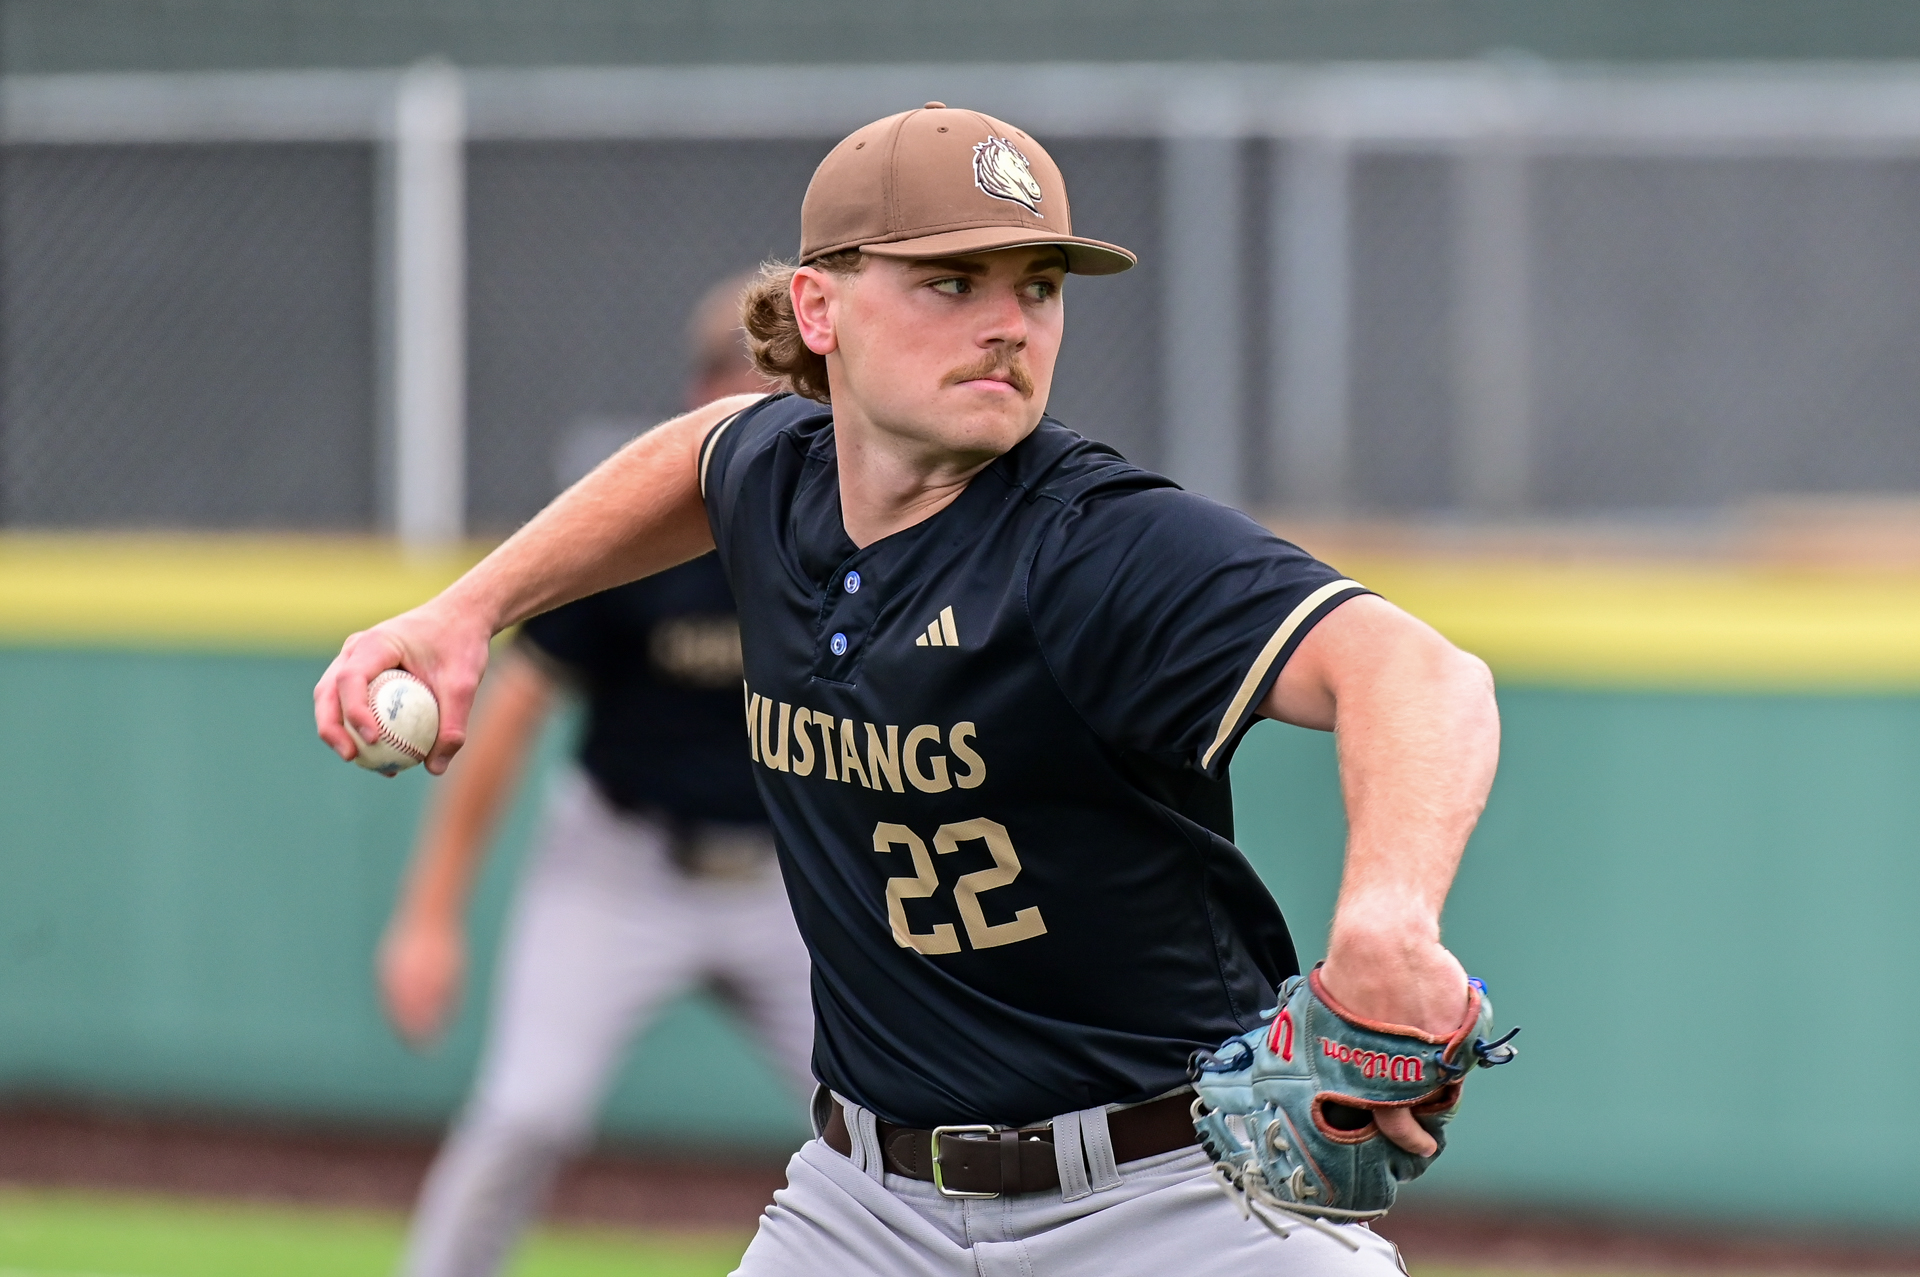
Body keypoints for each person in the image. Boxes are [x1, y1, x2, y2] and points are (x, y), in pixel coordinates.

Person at [319, 104, 1500, 1276]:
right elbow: (696, 451)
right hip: (866, 1208)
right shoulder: (779, 477)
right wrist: (466, 610)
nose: (1008, 324)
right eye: (952, 282)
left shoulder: (1097, 546)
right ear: (817, 311)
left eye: (1038, 285)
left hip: (1170, 1203)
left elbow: (1421, 671)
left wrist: (1387, 915)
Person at [377, 275, 813, 1277]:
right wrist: (429, 913)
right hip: (621, 865)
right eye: (744, 387)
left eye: (790, 389)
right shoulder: (636, 530)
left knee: (898, 1114)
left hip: (787, 880)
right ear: (698, 394)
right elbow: (509, 718)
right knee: (527, 1111)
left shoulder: (844, 531)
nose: (769, 414)